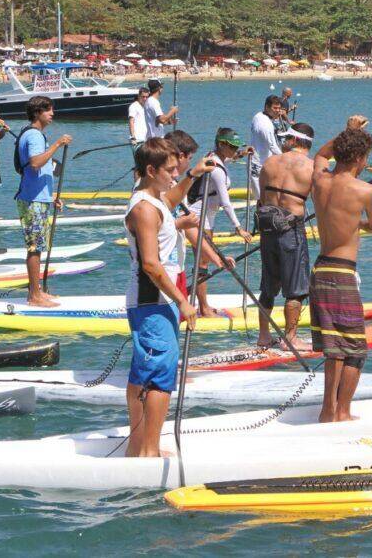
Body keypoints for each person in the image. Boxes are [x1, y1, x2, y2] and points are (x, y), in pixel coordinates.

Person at [124, 137, 212, 458]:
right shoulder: (144, 209)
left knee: (142, 373)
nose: (175, 176)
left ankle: (138, 447)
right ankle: (148, 450)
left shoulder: (156, 198)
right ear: (150, 170)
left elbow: (171, 199)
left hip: (159, 301)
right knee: (160, 376)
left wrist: (195, 174)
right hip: (153, 301)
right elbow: (150, 263)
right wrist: (184, 301)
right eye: (170, 171)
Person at [310, 116, 372, 422]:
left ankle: (329, 410)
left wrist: (348, 133)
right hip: (342, 272)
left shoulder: (319, 180)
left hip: (320, 270)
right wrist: (360, 223)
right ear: (360, 158)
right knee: (354, 349)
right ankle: (341, 411)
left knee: (333, 347)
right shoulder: (365, 191)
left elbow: (319, 155)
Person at [256, 123, 316, 351]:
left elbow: (262, 199)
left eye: (286, 138)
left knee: (268, 285)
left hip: (267, 229)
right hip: (291, 231)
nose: (283, 142)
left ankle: (264, 335)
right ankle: (290, 337)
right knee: (296, 288)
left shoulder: (270, 162)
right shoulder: (310, 167)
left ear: (294, 140)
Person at [180, 128, 249, 316]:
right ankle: (203, 308)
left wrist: (242, 154)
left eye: (237, 147)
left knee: (203, 262)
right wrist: (238, 228)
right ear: (221, 144)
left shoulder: (214, 157)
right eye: (232, 147)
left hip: (207, 215)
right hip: (199, 216)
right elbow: (226, 203)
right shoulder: (216, 170)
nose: (235, 150)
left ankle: (203, 305)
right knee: (203, 263)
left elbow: (227, 159)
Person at [13, 96, 72, 307]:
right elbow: (36, 163)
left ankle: (38, 291)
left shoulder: (37, 135)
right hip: (32, 200)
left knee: (37, 246)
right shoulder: (35, 136)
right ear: (37, 113)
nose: (52, 113)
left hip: (39, 198)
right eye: (47, 110)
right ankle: (33, 296)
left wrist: (51, 197)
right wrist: (57, 143)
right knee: (34, 247)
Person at [249, 95, 284, 199]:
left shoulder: (258, 115)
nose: (277, 111)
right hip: (258, 165)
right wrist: (287, 158)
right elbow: (272, 146)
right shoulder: (265, 124)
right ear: (267, 107)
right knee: (261, 199)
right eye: (275, 108)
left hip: (263, 162)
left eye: (279, 108)